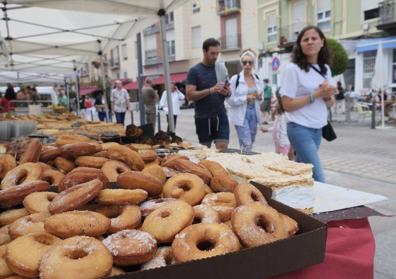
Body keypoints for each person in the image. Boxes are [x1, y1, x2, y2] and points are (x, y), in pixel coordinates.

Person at [279, 25, 337, 182]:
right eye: (305, 39)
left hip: (318, 128)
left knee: (301, 172)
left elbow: (330, 104)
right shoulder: (293, 69)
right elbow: (287, 104)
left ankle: (287, 201)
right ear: (300, 45)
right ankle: (323, 207)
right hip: (299, 128)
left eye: (314, 38)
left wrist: (328, 96)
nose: (310, 42)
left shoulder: (325, 69)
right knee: (318, 177)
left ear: (322, 42)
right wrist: (316, 94)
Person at [186, 38, 231, 150]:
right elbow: (190, 95)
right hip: (203, 117)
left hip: (220, 115)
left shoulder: (221, 68)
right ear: (204, 52)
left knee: (223, 150)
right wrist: (211, 90)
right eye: (212, 53)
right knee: (205, 152)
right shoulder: (194, 71)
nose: (215, 56)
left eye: (217, 53)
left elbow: (228, 90)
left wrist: (227, 92)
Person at [227, 49, 263, 154]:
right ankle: (246, 165)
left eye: (250, 62)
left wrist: (259, 97)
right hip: (241, 114)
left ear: (253, 64)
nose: (247, 65)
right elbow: (230, 100)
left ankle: (243, 162)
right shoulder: (235, 79)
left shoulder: (257, 78)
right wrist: (245, 98)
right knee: (246, 143)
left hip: (254, 114)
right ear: (241, 63)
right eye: (244, 62)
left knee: (250, 142)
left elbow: (261, 98)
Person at [272, 90, 291, 158]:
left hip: (283, 143)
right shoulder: (280, 115)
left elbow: (284, 130)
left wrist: (282, 142)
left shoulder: (285, 116)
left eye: (277, 101)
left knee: (284, 159)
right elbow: (276, 127)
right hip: (278, 142)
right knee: (279, 159)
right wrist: (268, 129)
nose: (275, 103)